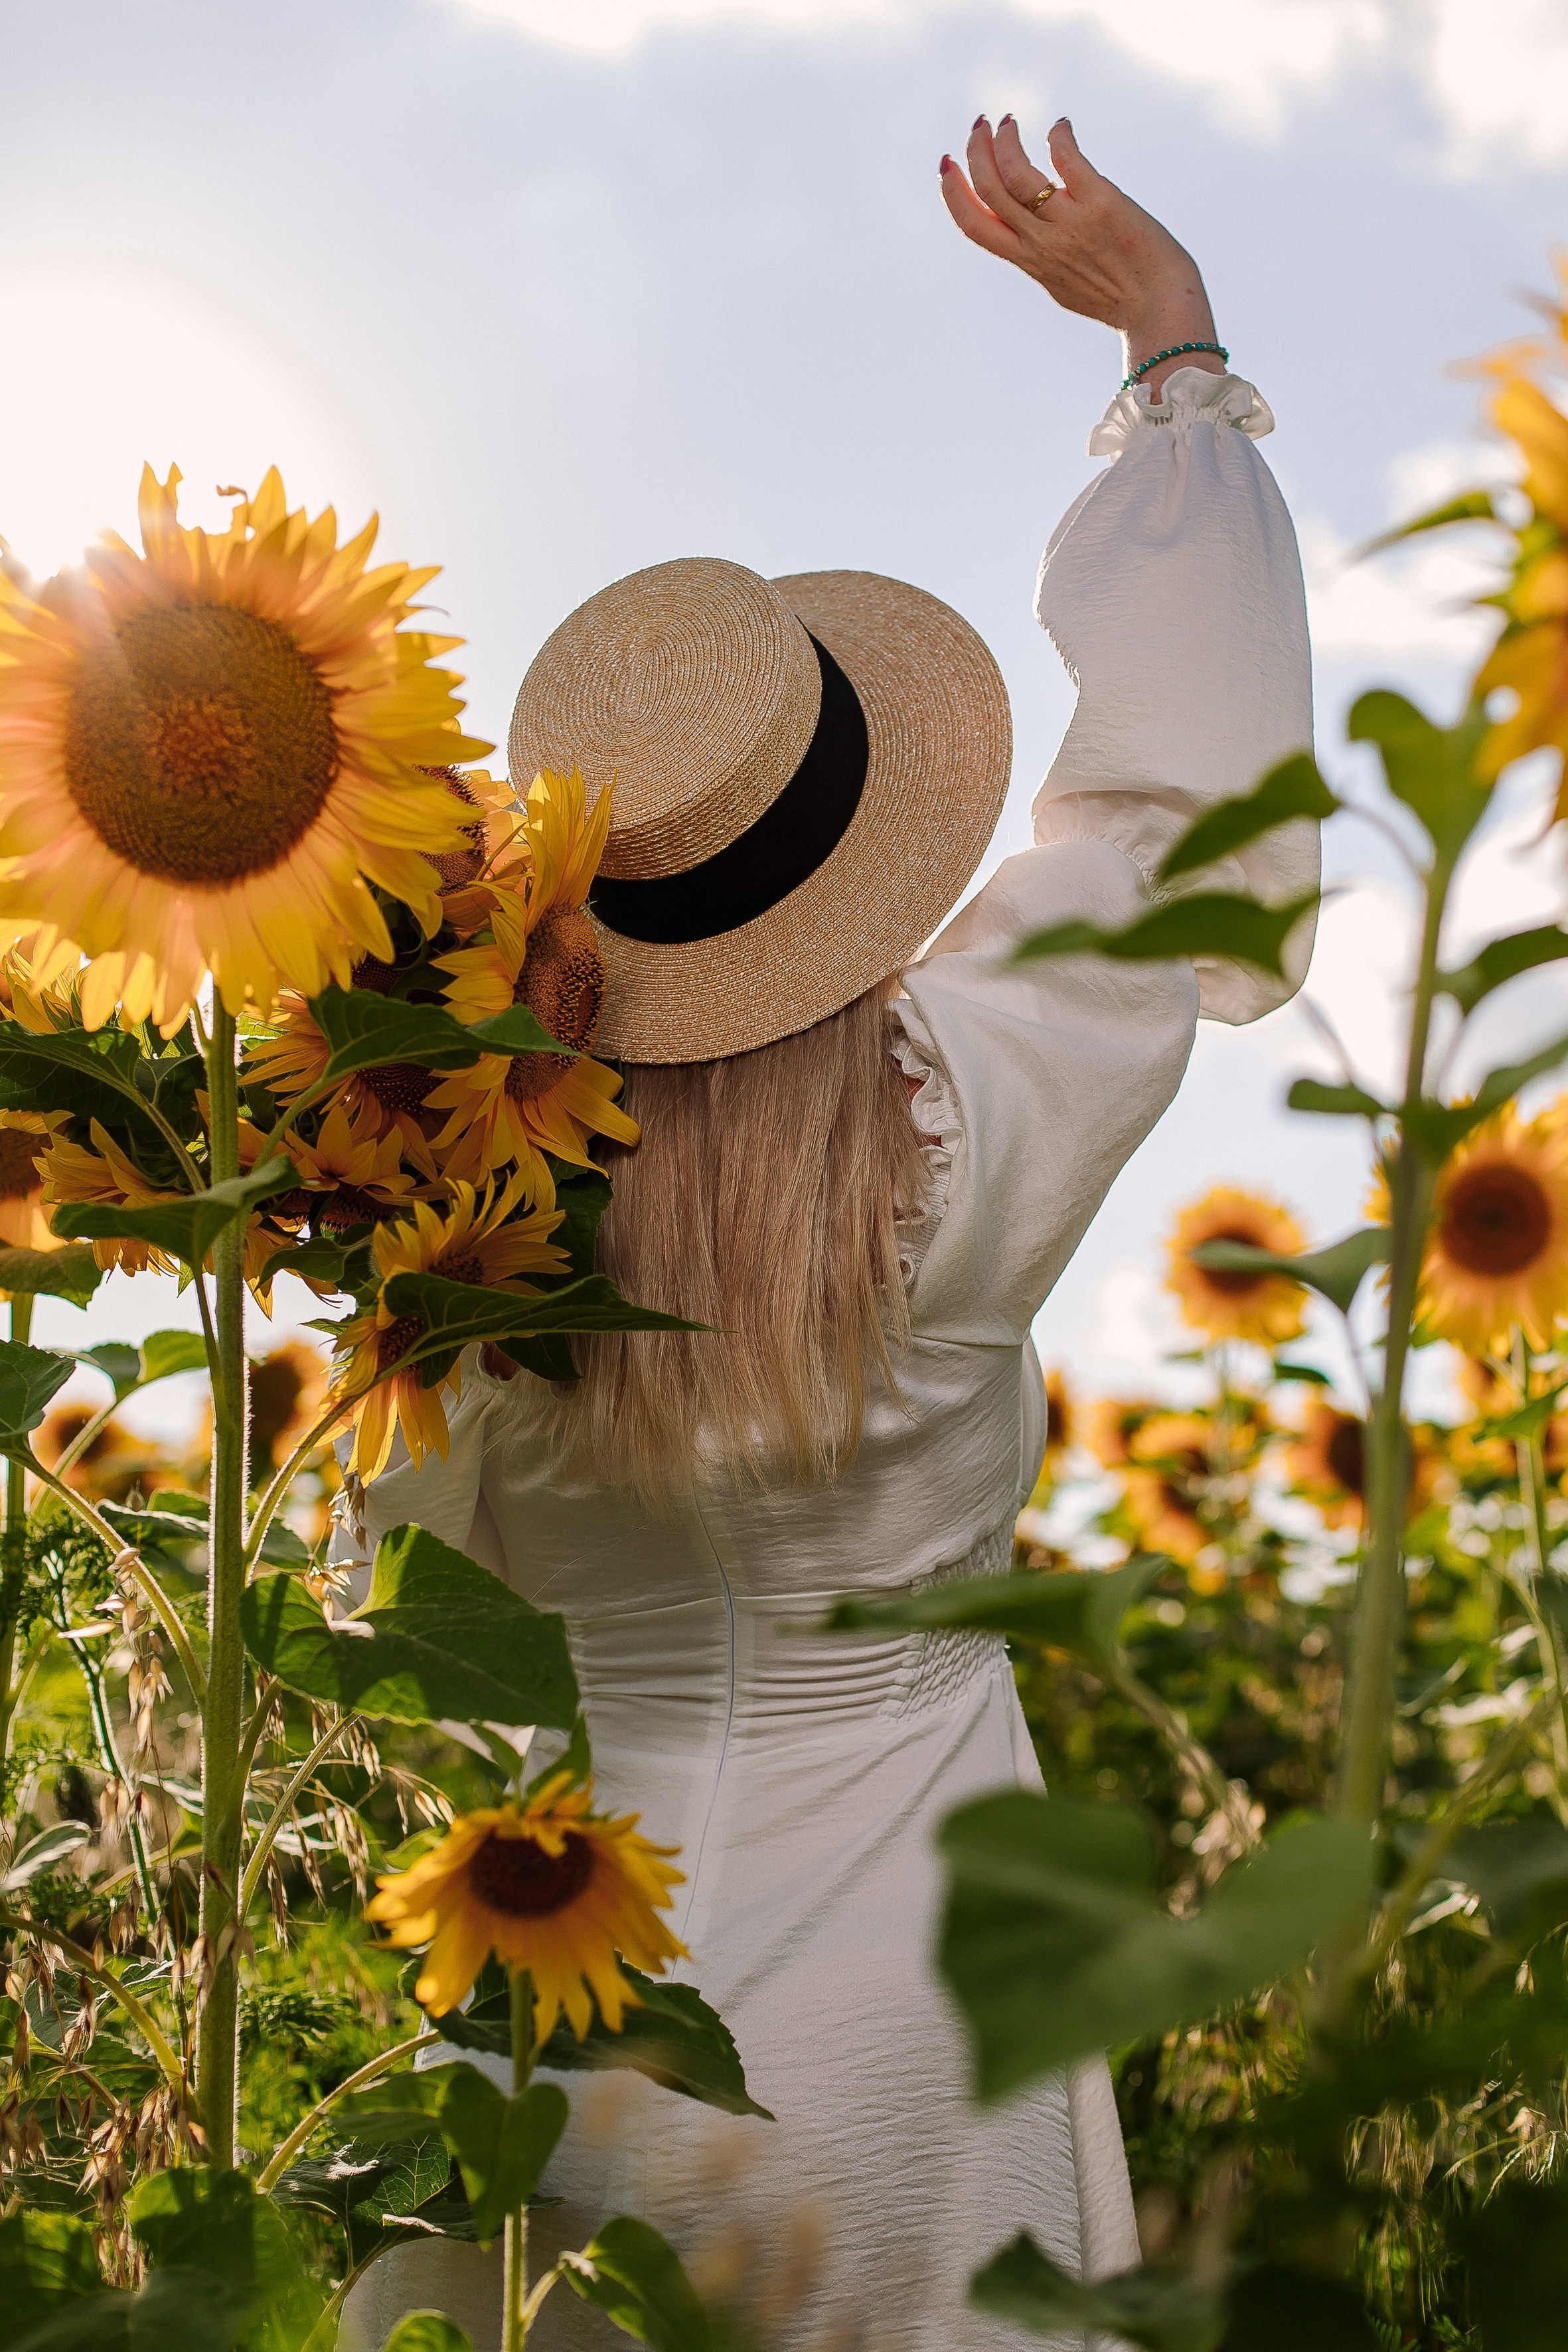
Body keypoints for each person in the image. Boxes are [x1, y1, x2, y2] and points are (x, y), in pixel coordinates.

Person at [340, 113, 1314, 2352]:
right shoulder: (956, 1141)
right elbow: (1180, 804)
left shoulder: (465, 1225)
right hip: (903, 2003)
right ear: (871, 851)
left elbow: (379, 1587)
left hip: (559, 1982)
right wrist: (1171, 347)